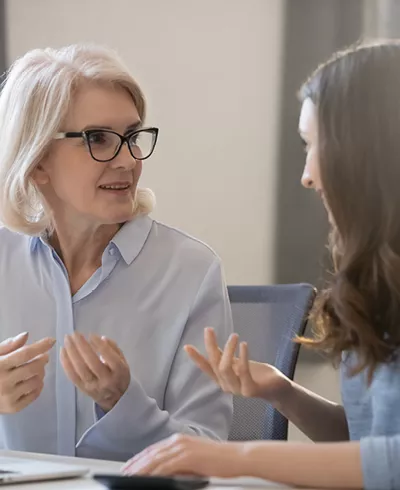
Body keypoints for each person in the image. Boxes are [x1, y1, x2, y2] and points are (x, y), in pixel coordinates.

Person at [122, 40, 400, 489]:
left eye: (315, 145)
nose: (307, 174)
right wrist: (281, 392)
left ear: (369, 153)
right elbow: (366, 442)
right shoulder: (378, 278)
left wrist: (234, 457)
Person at [0, 43, 233, 461]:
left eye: (131, 136)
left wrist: (124, 405)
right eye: (99, 139)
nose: (127, 160)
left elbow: (208, 452)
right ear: (37, 161)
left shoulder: (191, 271)